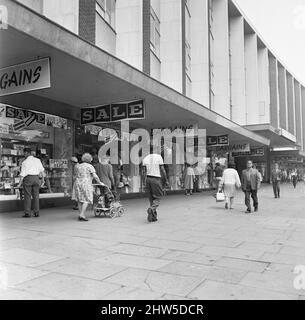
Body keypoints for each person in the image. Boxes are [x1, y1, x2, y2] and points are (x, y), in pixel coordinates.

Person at [72, 153, 104, 221]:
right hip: (86, 183)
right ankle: (82, 215)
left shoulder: (78, 166)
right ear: (90, 159)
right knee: (87, 199)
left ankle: (80, 214)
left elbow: (75, 175)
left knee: (79, 199)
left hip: (77, 183)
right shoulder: (90, 166)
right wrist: (100, 182)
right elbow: (95, 176)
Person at [142, 147, 169, 223]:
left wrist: (144, 183)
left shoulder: (145, 158)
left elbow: (143, 172)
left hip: (148, 179)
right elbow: (163, 170)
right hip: (156, 179)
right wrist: (166, 180)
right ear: (156, 150)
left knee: (151, 199)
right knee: (158, 197)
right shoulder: (159, 157)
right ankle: (151, 209)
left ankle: (153, 217)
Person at [17, 147, 45, 218]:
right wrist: (42, 180)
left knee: (27, 196)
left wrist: (19, 183)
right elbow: (42, 171)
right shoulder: (38, 160)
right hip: (36, 178)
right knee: (36, 196)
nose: (24, 154)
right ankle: (36, 212)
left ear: (26, 153)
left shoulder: (25, 162)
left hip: (28, 178)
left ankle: (27, 213)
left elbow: (22, 174)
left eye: (24, 153)